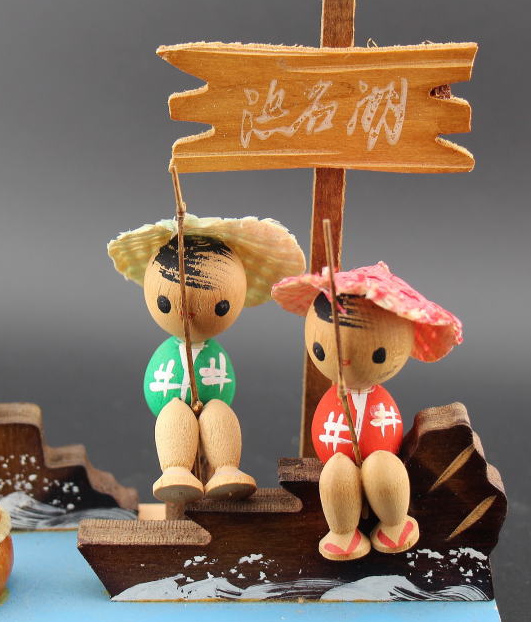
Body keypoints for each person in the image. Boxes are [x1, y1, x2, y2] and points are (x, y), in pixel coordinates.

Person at [108, 214, 305, 504]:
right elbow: (155, 387)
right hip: (172, 405)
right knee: (174, 414)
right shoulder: (170, 352)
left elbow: (225, 386)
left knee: (218, 411)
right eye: (165, 302)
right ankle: (175, 470)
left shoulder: (214, 353)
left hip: (212, 403)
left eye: (219, 306)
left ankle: (226, 468)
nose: (188, 313)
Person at [272, 261, 463, 559]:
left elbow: (388, 432)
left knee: (383, 466)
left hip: (381, 456)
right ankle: (343, 533)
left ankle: (395, 523)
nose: (345, 360)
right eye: (323, 349)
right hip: (335, 460)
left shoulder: (379, 399)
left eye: (377, 353)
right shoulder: (334, 397)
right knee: (336, 473)